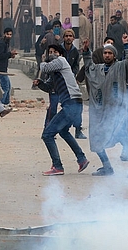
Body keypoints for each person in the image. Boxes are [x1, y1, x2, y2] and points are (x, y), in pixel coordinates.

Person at [82, 35, 128, 177]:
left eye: (110, 53)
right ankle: (107, 167)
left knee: (122, 137)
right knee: (96, 138)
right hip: (99, 111)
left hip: (117, 110)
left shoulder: (121, 67)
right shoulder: (98, 69)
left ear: (114, 55)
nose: (107, 55)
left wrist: (127, 46)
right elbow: (88, 66)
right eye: (105, 53)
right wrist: (86, 52)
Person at [34, 44, 90, 176]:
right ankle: (81, 159)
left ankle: (57, 166)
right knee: (64, 131)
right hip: (74, 104)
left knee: (47, 135)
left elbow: (44, 67)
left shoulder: (61, 61)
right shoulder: (56, 72)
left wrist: (42, 60)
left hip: (71, 104)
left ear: (61, 54)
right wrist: (40, 83)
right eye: (50, 52)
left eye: (55, 52)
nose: (52, 54)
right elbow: (49, 87)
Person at [0, 27, 17, 107]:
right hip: (0, 69)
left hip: (3, 69)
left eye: (10, 34)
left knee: (8, 87)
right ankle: (1, 105)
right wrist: (9, 54)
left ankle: (6, 103)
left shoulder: (5, 43)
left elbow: (4, 55)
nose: (9, 36)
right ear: (4, 34)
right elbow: (0, 56)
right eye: (8, 34)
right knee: (5, 87)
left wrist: (10, 55)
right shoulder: (1, 43)